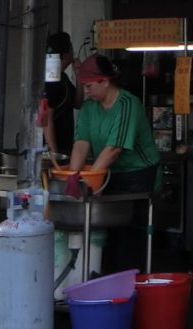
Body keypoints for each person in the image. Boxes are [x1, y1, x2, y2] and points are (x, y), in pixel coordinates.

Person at [68, 54, 160, 272]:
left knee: (130, 235)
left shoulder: (128, 104)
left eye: (89, 86)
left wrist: (90, 180)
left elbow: (114, 149)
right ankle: (105, 282)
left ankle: (132, 285)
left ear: (105, 81)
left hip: (137, 175)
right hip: (108, 174)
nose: (86, 92)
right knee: (108, 233)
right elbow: (81, 143)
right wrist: (73, 174)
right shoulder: (90, 108)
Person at [39, 30, 78, 158]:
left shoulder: (63, 78)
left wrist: (80, 77)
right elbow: (47, 119)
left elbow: (78, 103)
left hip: (65, 146)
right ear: (67, 54)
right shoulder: (51, 80)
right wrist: (54, 154)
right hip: (54, 148)